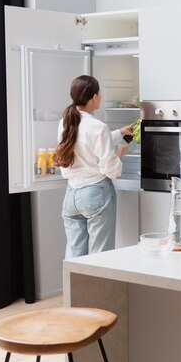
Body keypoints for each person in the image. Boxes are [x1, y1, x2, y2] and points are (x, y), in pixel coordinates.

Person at [53, 75, 134, 258]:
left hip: (72, 195)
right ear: (95, 97)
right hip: (96, 193)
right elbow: (111, 169)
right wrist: (119, 152)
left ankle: (73, 288)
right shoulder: (98, 127)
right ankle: (101, 288)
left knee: (74, 254)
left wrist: (119, 133)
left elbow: (84, 142)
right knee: (100, 256)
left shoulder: (66, 122)